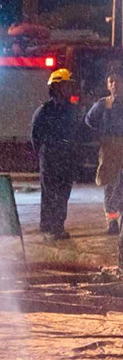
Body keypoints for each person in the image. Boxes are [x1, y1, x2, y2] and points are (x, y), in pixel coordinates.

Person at [30, 68, 80, 240]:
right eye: (66, 85)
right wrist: (43, 156)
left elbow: (78, 134)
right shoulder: (44, 110)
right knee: (50, 193)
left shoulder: (72, 110)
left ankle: (57, 226)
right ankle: (48, 226)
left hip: (66, 160)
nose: (70, 88)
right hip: (50, 159)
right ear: (57, 87)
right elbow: (35, 136)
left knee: (63, 194)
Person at [85, 65, 123, 235]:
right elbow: (89, 120)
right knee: (110, 183)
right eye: (111, 81)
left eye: (117, 81)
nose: (114, 84)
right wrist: (102, 133)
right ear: (107, 85)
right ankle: (112, 221)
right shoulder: (103, 104)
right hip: (110, 149)